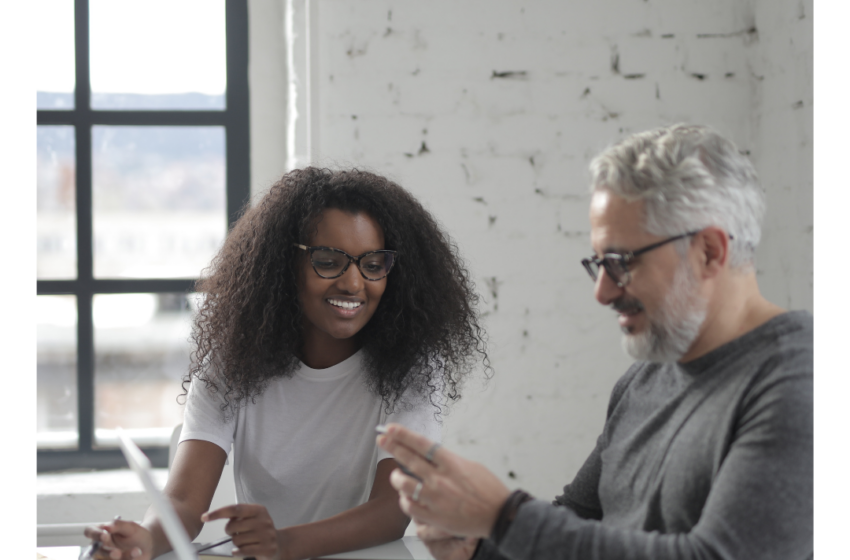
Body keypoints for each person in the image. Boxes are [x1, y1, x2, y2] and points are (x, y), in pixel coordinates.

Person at [377, 124, 813, 560]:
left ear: (709, 252)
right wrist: (478, 548)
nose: (602, 292)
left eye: (622, 262)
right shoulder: (646, 377)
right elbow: (582, 519)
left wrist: (504, 517)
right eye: (599, 263)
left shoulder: (800, 382)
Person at [84, 167, 489, 560]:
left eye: (373, 264)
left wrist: (283, 544)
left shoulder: (410, 368)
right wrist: (144, 543)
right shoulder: (234, 364)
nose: (352, 283)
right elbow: (184, 502)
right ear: (283, 266)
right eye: (329, 261)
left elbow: (392, 510)